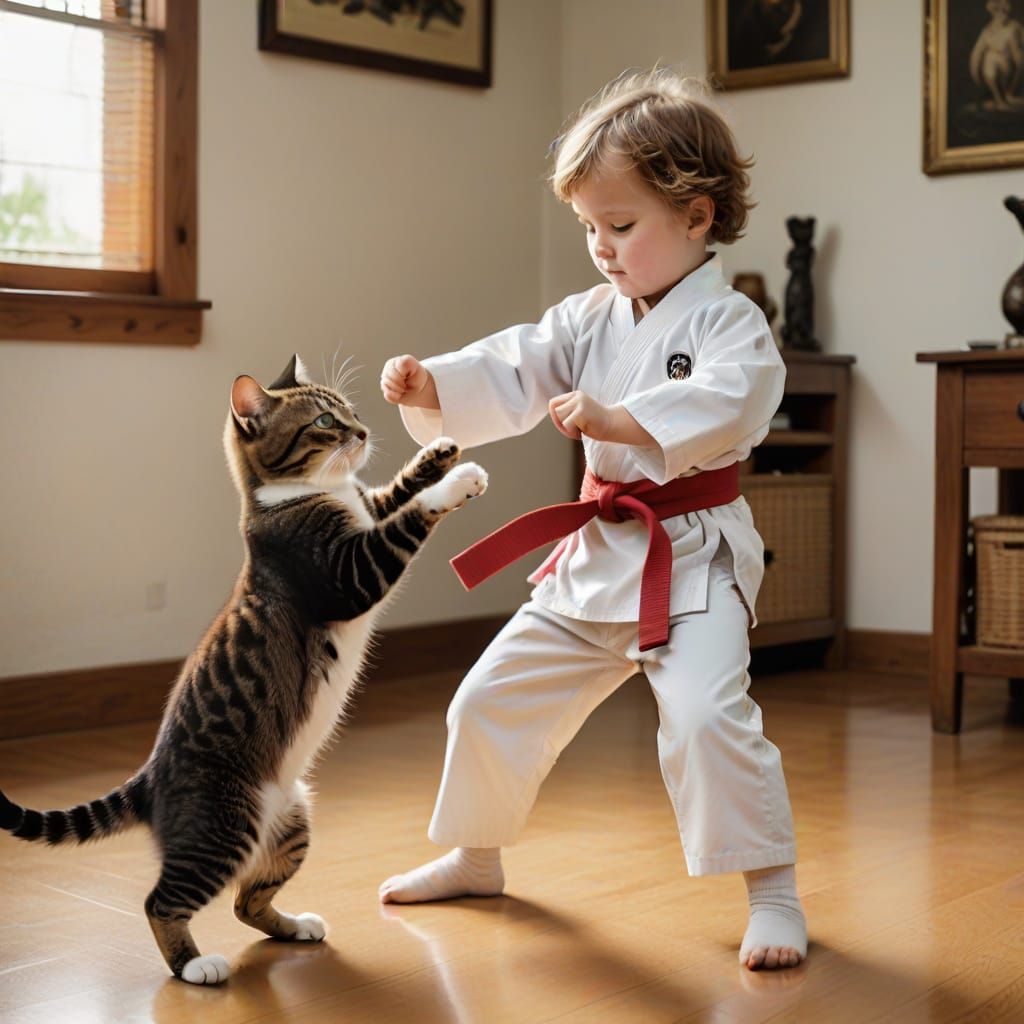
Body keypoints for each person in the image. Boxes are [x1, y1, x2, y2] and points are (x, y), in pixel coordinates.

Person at [378, 67, 806, 972]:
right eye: (587, 229)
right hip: (597, 551)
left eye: (621, 226)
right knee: (490, 700)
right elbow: (518, 365)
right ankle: (476, 855)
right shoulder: (588, 317)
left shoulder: (734, 325)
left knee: (702, 716)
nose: (602, 249)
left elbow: (735, 403)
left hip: (689, 559)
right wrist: (438, 388)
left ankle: (771, 889)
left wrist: (627, 422)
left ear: (696, 215)